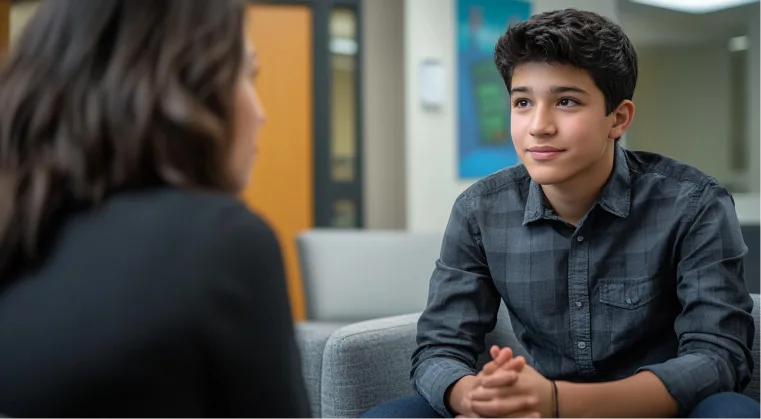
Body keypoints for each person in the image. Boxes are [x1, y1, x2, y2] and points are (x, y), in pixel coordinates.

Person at [362, 8, 760, 419]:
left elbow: (719, 357)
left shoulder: (694, 204)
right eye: (522, 102)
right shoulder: (480, 210)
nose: (539, 126)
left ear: (618, 118)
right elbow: (440, 348)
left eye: (566, 101)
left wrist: (558, 403)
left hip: (652, 411)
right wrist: (481, 399)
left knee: (733, 412)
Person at [0, 1, 311, 418]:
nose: (261, 112)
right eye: (247, 75)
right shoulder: (222, 245)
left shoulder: (19, 231)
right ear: (188, 86)